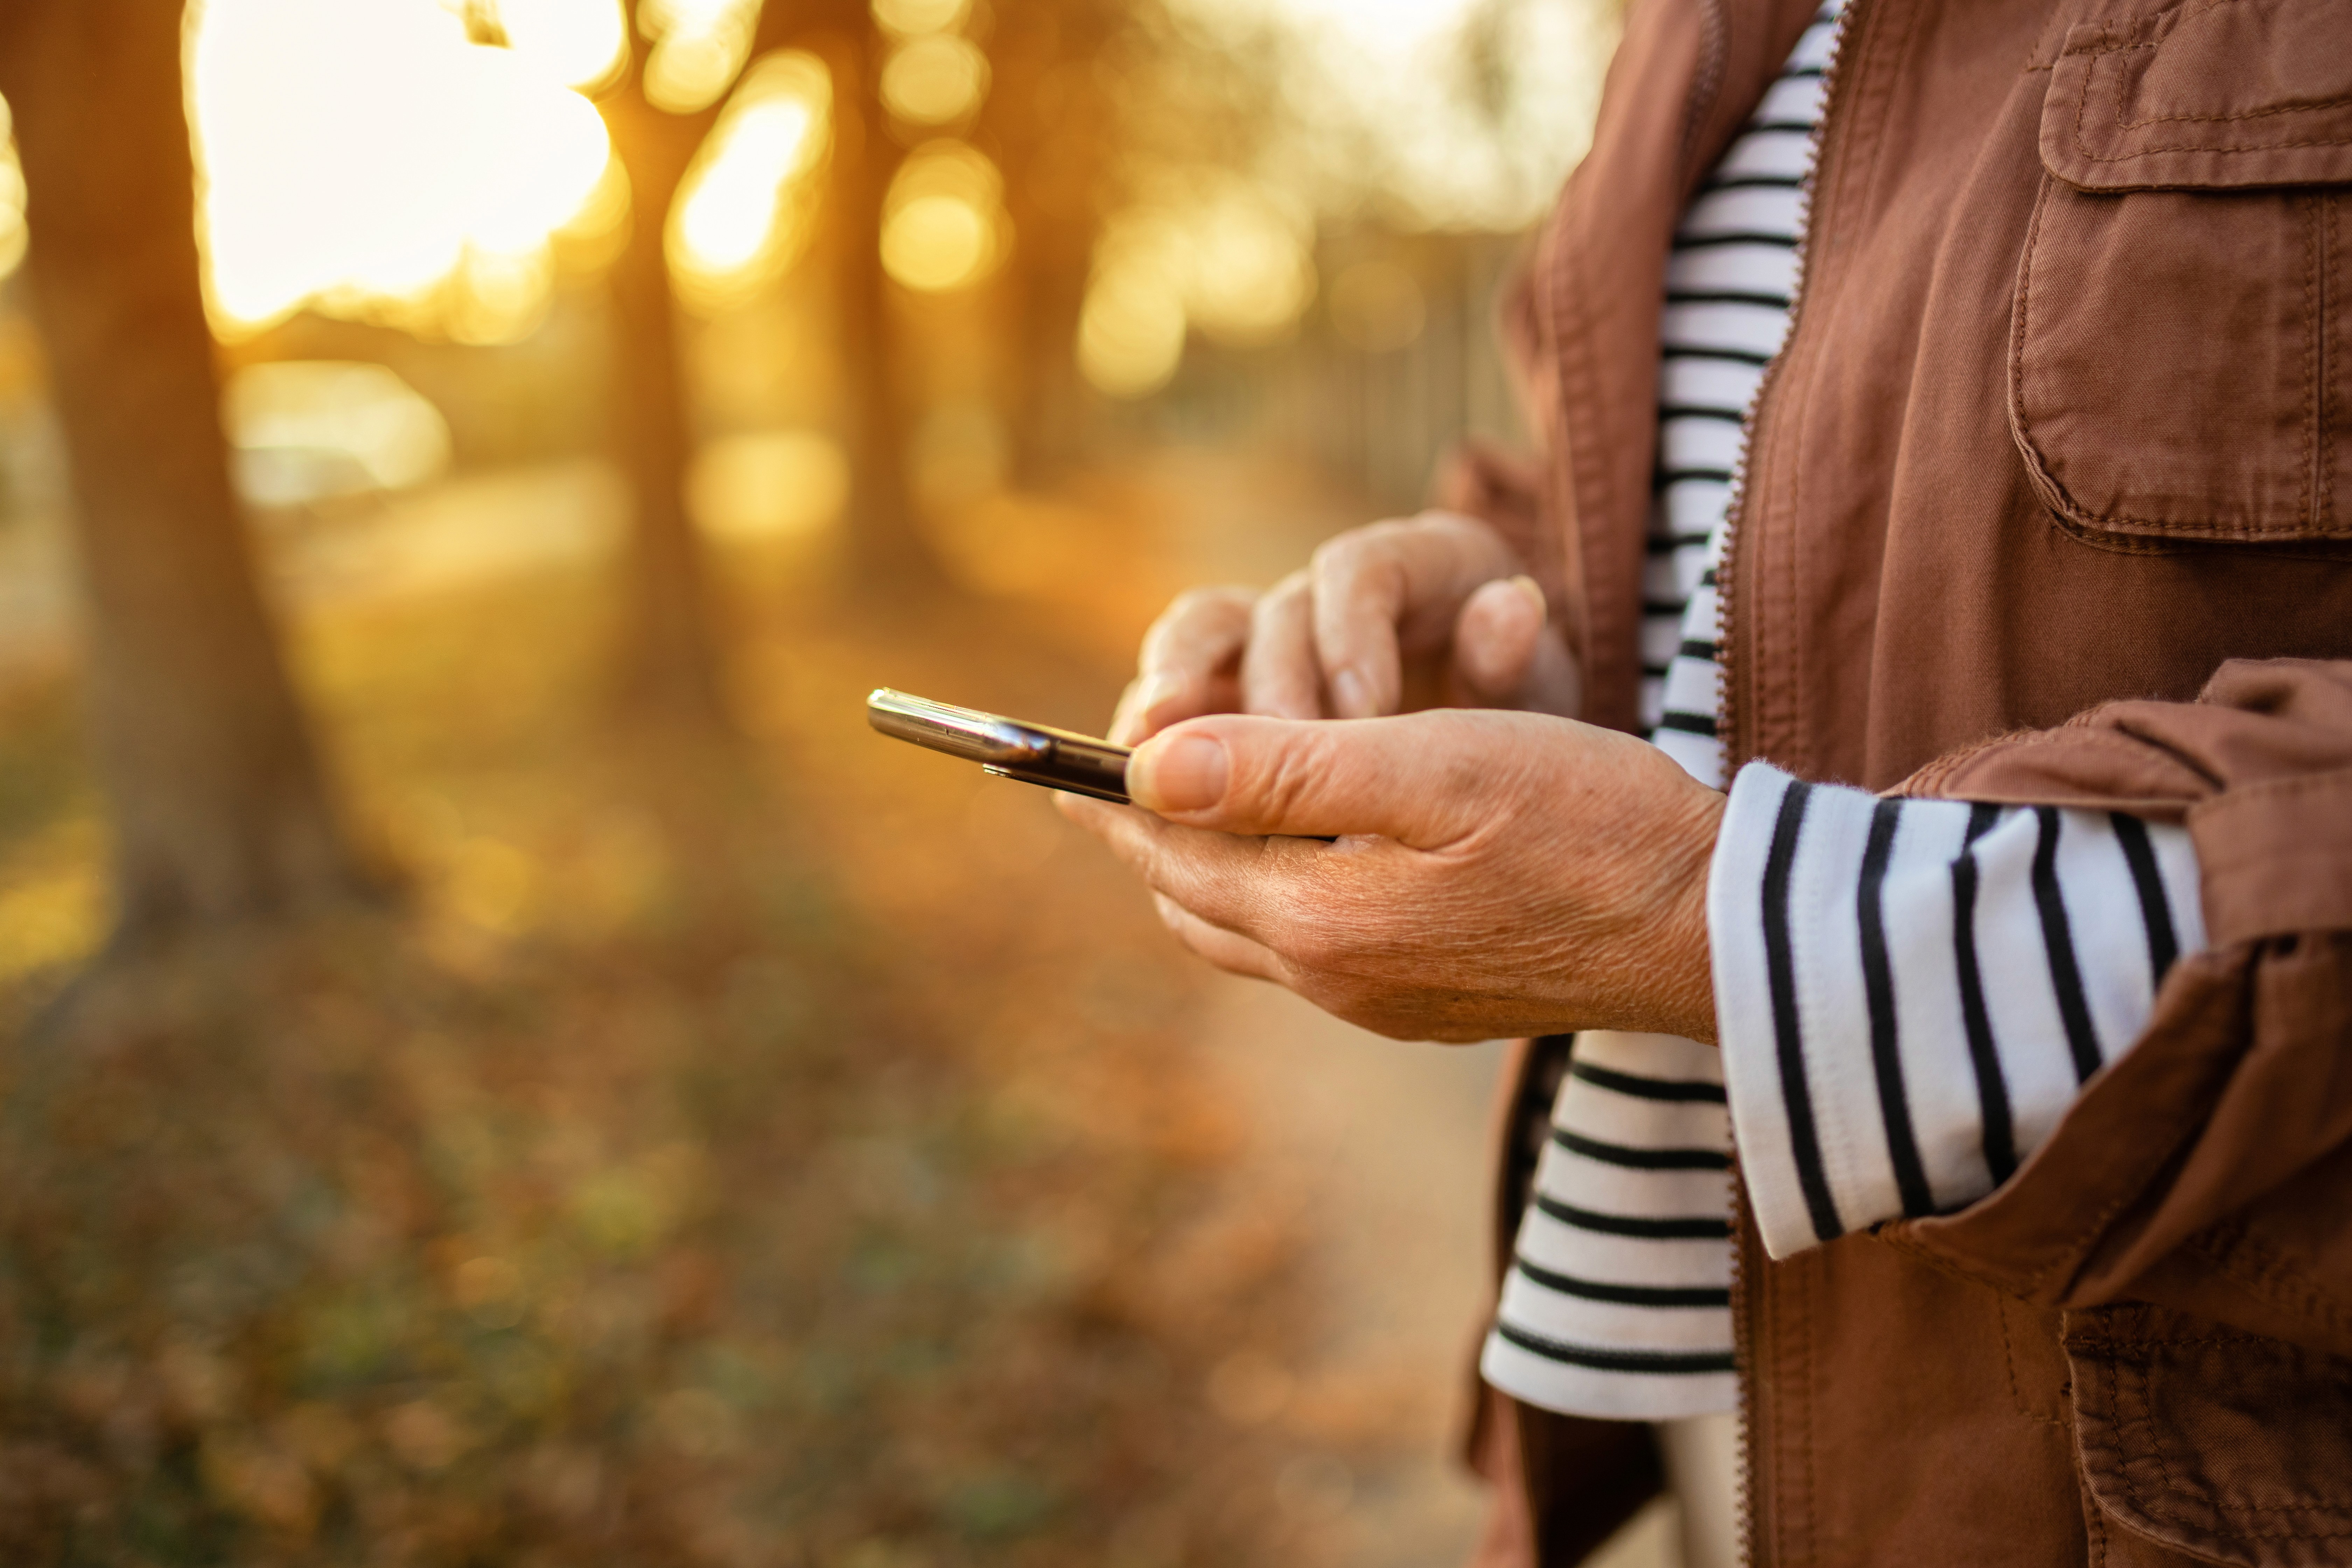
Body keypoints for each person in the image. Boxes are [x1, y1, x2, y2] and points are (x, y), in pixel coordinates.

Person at [1058, 0, 2352, 1563]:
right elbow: (1727, 506)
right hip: (1703, 1441)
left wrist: (1713, 923)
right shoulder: (1691, 27)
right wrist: (1520, 622)